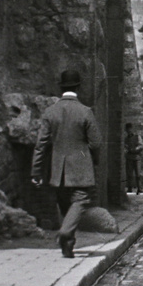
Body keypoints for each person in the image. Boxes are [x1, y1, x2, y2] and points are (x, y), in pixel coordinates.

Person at [31, 70, 101, 258]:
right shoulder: (85, 111)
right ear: (78, 87)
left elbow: (41, 145)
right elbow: (96, 143)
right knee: (80, 201)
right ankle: (64, 234)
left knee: (65, 205)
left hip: (57, 171)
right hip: (80, 168)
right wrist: (94, 161)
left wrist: (36, 172)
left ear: (61, 88)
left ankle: (68, 246)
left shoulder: (50, 112)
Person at [123, 122, 143, 195]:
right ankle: (130, 188)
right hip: (129, 158)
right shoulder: (126, 139)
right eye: (127, 130)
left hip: (137, 158)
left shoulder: (137, 137)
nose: (129, 131)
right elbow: (125, 147)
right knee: (129, 174)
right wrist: (126, 150)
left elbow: (141, 146)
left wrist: (134, 150)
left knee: (138, 174)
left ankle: (139, 188)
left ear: (131, 129)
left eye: (129, 129)